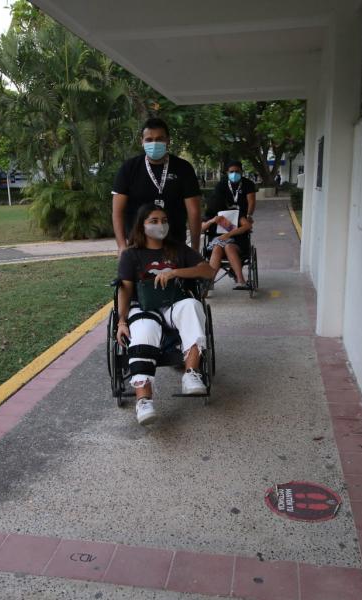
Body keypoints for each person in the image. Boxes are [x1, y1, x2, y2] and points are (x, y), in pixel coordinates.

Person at [116, 204, 216, 425]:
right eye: (153, 221)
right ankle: (144, 401)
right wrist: (121, 321)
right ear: (142, 226)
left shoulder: (178, 250)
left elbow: (208, 271)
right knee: (143, 330)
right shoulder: (131, 255)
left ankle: (191, 373)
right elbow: (125, 290)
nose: (160, 225)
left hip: (173, 304)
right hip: (144, 307)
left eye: (164, 220)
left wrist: (175, 272)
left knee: (192, 305)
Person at [112, 118, 203, 256]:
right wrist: (121, 246)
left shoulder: (183, 168)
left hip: (174, 244)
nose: (154, 143)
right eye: (149, 140)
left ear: (168, 141)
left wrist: (195, 248)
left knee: (177, 271)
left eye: (160, 139)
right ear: (142, 141)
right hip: (137, 246)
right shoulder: (129, 168)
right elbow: (117, 211)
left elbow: (194, 212)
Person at [203, 161, 255, 290]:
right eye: (231, 172)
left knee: (228, 246)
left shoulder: (234, 212)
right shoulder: (212, 214)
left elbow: (247, 226)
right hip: (216, 241)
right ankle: (209, 282)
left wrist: (228, 234)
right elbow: (201, 229)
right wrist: (212, 221)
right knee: (217, 248)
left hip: (236, 240)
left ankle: (241, 280)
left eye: (237, 171)